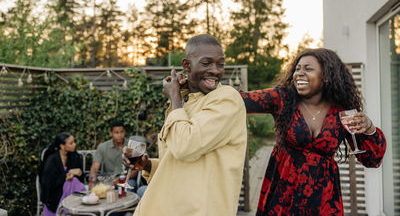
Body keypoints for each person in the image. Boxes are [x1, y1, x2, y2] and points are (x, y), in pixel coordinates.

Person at [240, 48, 386, 215]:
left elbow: (372, 159)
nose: (299, 74)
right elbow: (241, 100)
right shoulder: (282, 98)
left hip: (323, 200)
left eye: (308, 69)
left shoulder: (342, 111)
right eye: (297, 68)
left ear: (326, 76)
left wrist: (369, 128)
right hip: (283, 196)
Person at [124, 34, 247, 216]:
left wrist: (174, 97)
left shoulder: (226, 99)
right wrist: (147, 165)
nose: (215, 70)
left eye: (220, 64)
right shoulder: (186, 102)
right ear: (187, 66)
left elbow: (185, 145)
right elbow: (178, 163)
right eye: (206, 63)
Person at [89, 120, 147, 198]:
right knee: (100, 192)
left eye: (122, 132)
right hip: (108, 180)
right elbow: (95, 168)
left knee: (129, 188)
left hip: (127, 179)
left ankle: (126, 210)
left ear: (125, 132)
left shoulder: (131, 146)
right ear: (111, 133)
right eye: (116, 132)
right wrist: (91, 184)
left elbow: (135, 169)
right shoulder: (103, 147)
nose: (119, 135)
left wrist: (121, 180)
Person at [40, 132, 85, 216]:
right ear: (62, 146)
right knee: (70, 182)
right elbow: (48, 183)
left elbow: (81, 178)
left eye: (74, 142)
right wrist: (65, 177)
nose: (74, 145)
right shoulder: (52, 160)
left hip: (72, 190)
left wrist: (79, 172)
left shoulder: (74, 156)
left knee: (73, 181)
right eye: (71, 143)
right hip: (54, 194)